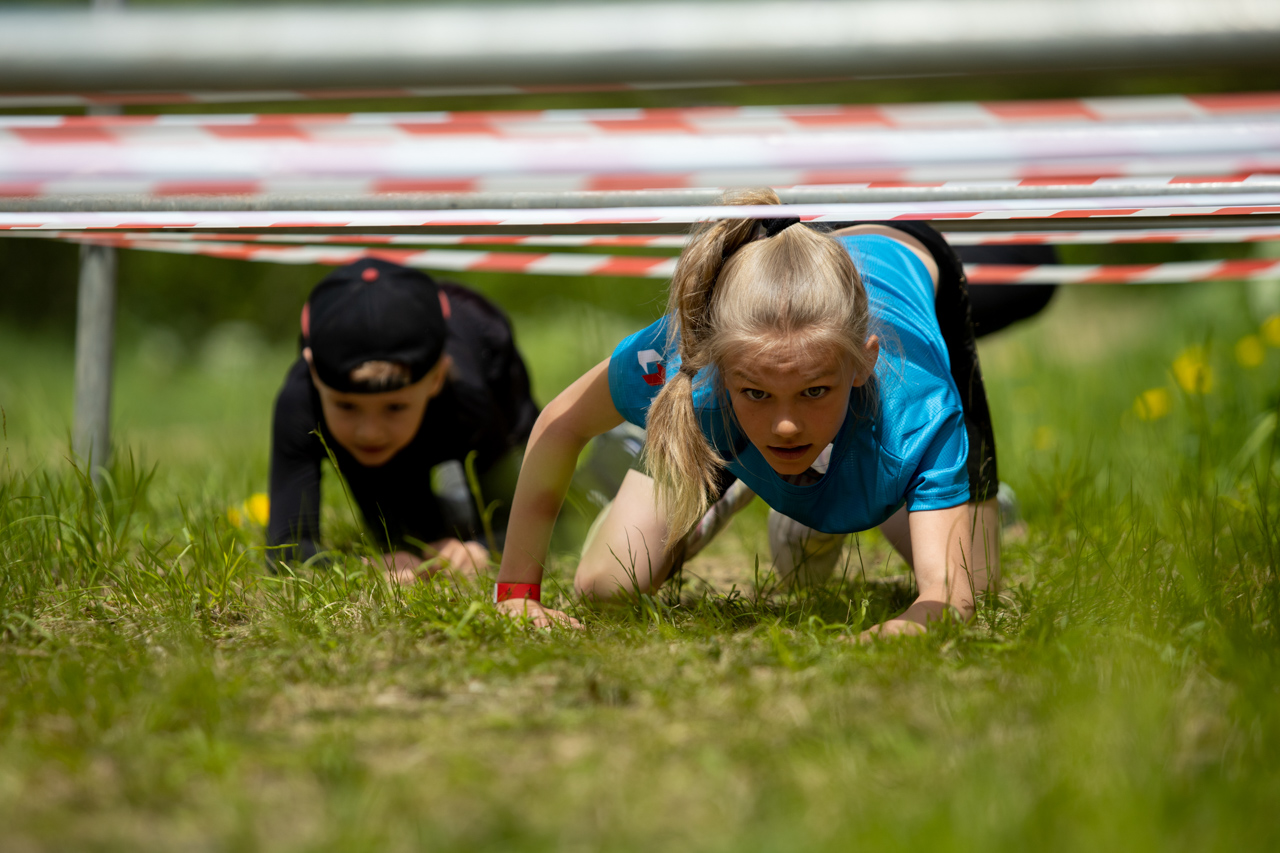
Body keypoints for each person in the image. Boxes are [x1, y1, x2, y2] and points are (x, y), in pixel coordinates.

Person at [493, 188, 1004, 636]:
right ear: (717, 365)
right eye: (757, 393)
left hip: (901, 247)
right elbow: (561, 422)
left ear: (862, 363)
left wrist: (909, 629)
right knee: (606, 586)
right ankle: (735, 476)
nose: (785, 425)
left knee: (975, 589)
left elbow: (949, 599)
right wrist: (516, 592)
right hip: (759, 371)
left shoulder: (918, 407)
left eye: (815, 391)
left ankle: (814, 508)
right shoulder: (684, 359)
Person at [267, 258, 539, 584]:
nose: (370, 431)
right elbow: (287, 549)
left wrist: (481, 548)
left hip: (476, 351)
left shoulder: (469, 395)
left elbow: (524, 523)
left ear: (436, 378)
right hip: (419, 414)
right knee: (405, 531)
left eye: (394, 407)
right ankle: (446, 501)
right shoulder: (301, 398)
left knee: (541, 485)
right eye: (346, 406)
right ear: (313, 374)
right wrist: (364, 566)